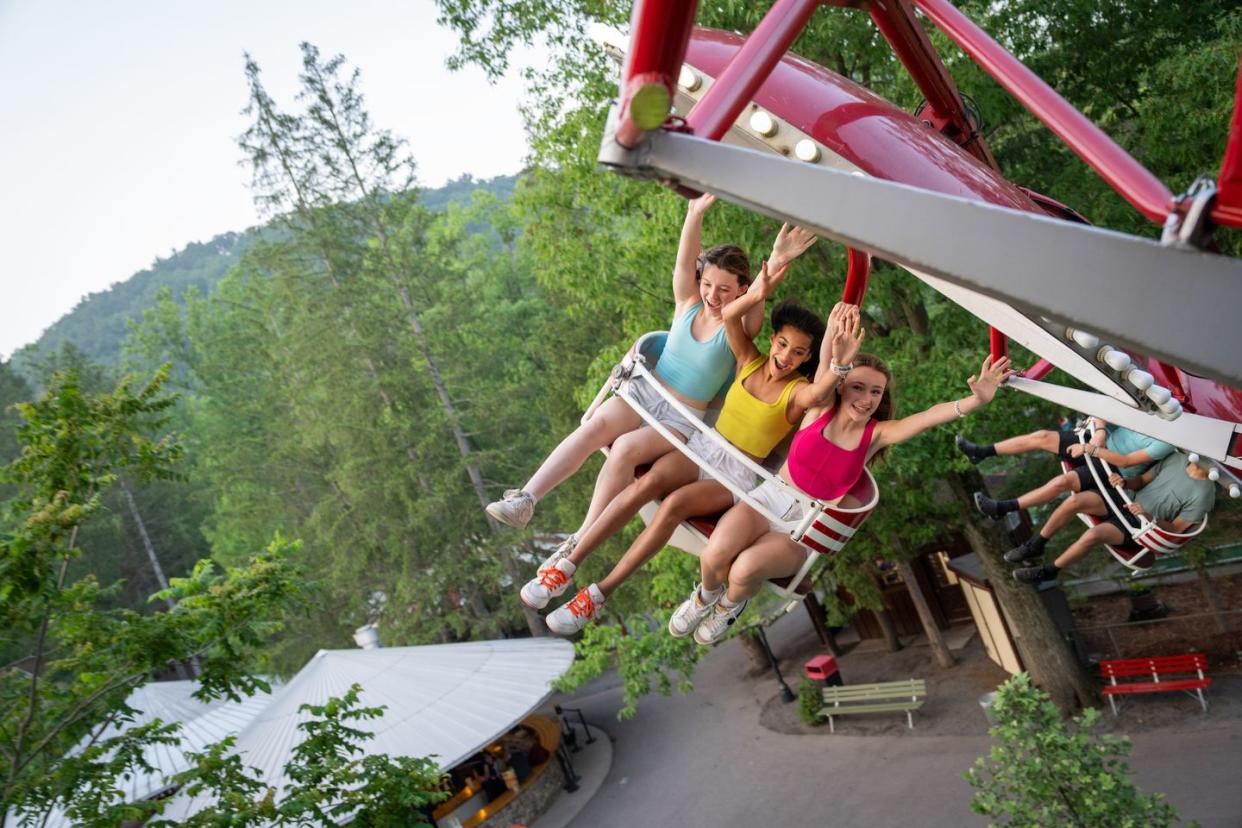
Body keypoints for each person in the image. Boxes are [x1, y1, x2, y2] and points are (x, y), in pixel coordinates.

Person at [485, 194, 815, 556]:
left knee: (625, 449)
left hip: (683, 417)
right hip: (646, 391)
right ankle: (526, 499)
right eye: (707, 284)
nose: (713, 296)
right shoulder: (688, 304)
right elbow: (683, 262)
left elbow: (756, 296)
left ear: (740, 288)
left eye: (724, 289)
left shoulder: (740, 327)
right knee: (594, 426)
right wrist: (694, 213)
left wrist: (779, 257)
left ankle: (579, 538)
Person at [538, 292, 858, 634]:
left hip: (733, 475)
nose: (785, 357)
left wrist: (839, 360)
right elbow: (732, 317)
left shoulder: (796, 392)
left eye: (798, 353)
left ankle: (598, 594)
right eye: (782, 344)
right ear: (772, 339)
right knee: (646, 484)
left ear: (807, 358)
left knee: (673, 505)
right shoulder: (748, 360)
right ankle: (568, 564)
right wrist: (763, 287)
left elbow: (820, 393)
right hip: (703, 448)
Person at [670, 336, 1015, 645]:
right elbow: (825, 366)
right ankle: (703, 599)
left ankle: (729, 606)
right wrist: (838, 344)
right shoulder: (819, 408)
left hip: (802, 527)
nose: (866, 399)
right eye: (858, 387)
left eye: (875, 392)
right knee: (714, 555)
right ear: (842, 387)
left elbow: (926, 417)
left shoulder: (876, 434)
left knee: (743, 570)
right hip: (770, 498)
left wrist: (975, 401)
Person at [1009, 450, 1215, 582]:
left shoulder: (1205, 494)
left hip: (1138, 525)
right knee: (1074, 502)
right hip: (1127, 498)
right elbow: (1142, 479)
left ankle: (1048, 571)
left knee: (1093, 536)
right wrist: (1125, 483)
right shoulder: (1178, 459)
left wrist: (1147, 516)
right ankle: (1035, 544)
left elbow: (1175, 531)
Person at [957, 417, 1175, 520]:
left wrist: (1090, 449)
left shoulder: (1166, 441)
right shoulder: (1148, 408)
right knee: (1042, 436)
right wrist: (1100, 430)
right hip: (1098, 441)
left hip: (1112, 466)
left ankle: (1002, 508)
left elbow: (1126, 461)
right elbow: (1105, 406)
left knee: (1063, 482)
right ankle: (981, 452)